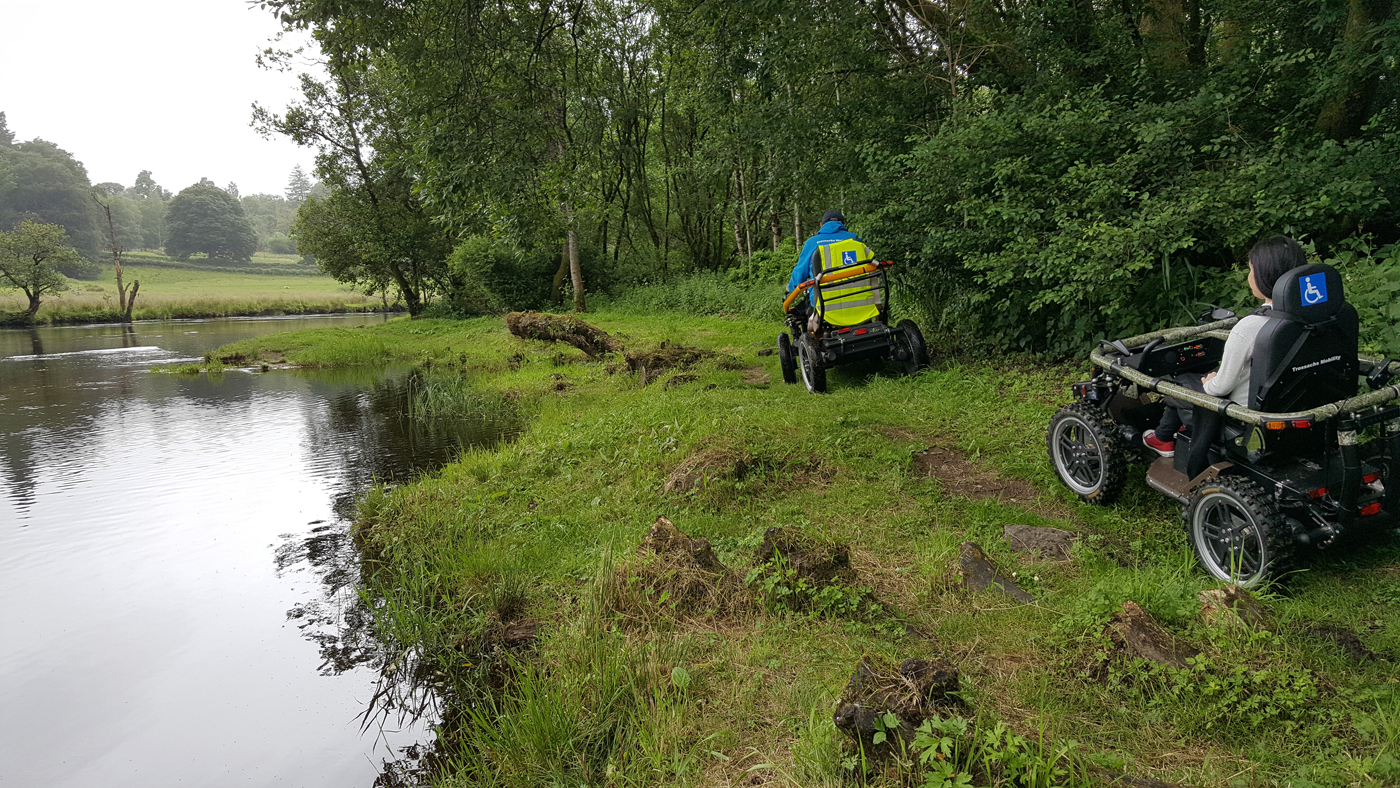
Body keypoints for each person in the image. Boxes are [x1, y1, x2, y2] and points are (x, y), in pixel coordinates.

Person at [1143, 235, 1305, 457]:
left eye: (1251, 270)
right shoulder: (1316, 319)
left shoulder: (1251, 327)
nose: (1249, 277)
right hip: (1297, 404)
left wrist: (1209, 383)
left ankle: (1162, 438)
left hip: (1245, 412)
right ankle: (1166, 435)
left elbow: (1220, 388)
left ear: (1265, 276)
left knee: (1179, 383)